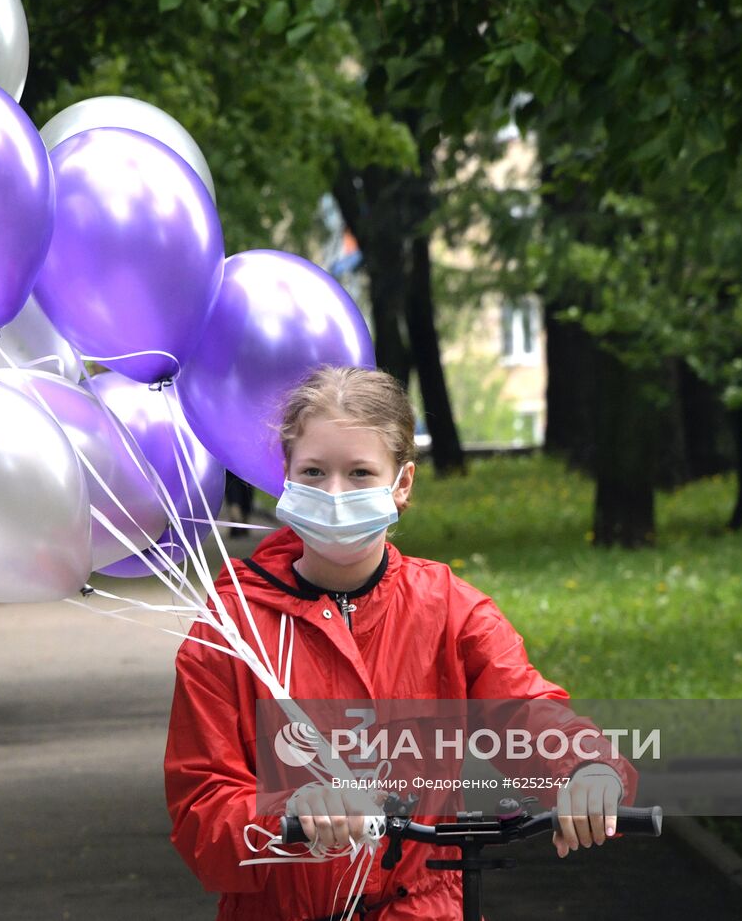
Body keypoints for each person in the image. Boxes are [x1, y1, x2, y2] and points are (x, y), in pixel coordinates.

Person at [164, 366, 637, 920]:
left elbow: (527, 714)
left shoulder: (450, 609)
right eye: (313, 472)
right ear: (285, 477)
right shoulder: (230, 627)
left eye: (360, 473)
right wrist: (284, 814)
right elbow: (200, 809)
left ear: (402, 483)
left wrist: (590, 771)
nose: (335, 493)